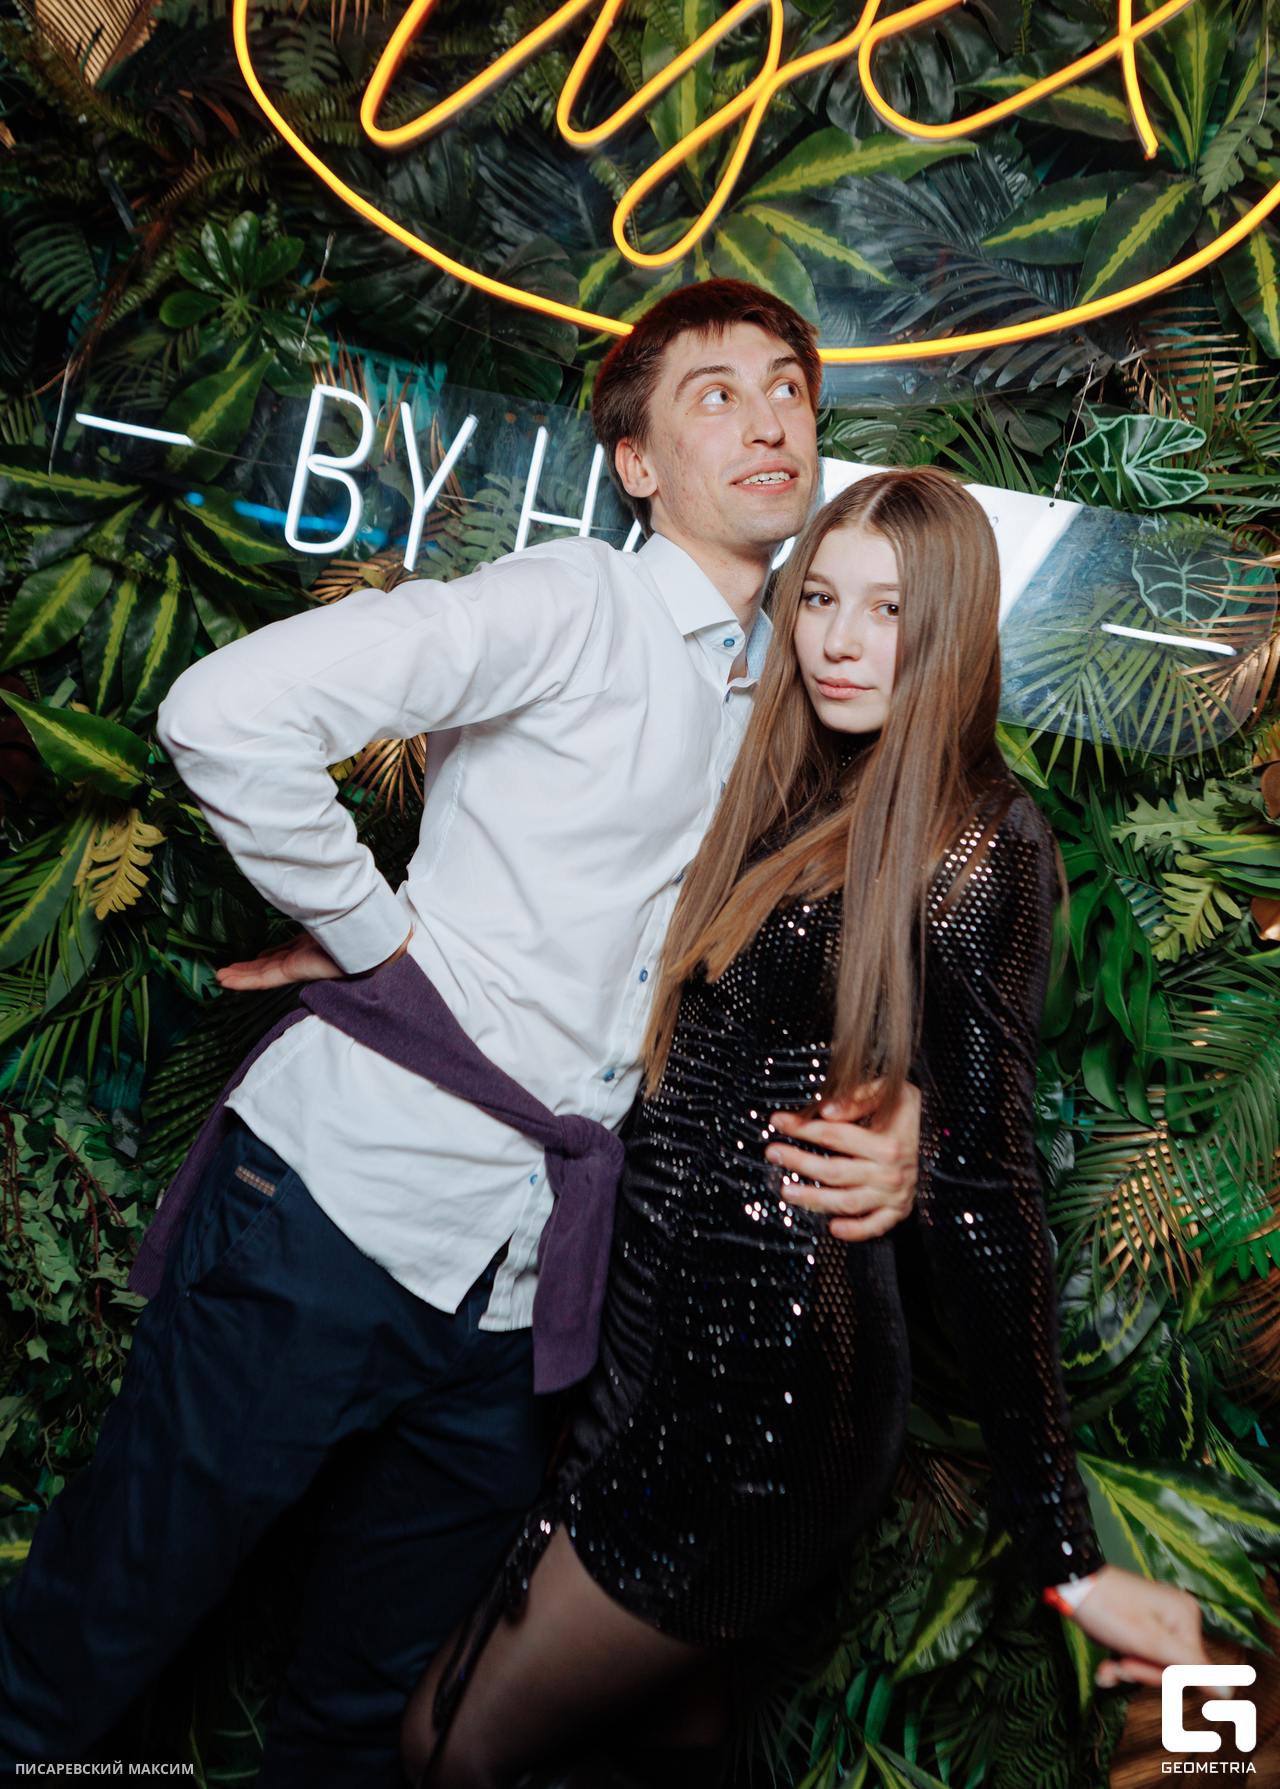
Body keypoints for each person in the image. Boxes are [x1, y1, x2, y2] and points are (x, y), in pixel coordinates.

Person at [0, 281, 922, 1783]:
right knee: (88, 1643)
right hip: (336, 1213)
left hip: (518, 1292)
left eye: (788, 388)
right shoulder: (571, 604)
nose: (768, 418)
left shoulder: (785, 697)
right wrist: (382, 944)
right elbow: (226, 714)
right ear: (636, 462)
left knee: (365, 1721)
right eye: (714, 393)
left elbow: (840, 953)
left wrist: (904, 1111)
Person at [402, 467, 1210, 1789]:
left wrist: (1065, 1554)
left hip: (761, 1389)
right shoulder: (790, 778)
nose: (839, 639)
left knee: (450, 1747)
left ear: (951, 628)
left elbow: (992, 1195)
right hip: (647, 1340)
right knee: (661, 1744)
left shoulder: (983, 843)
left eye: (888, 610)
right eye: (820, 598)